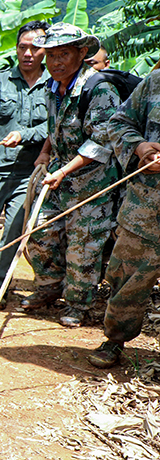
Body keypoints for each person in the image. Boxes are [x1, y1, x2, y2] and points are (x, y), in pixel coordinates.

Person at [21, 24, 123, 328]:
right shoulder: (54, 87)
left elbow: (101, 140)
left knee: (84, 244)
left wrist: (63, 170)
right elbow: (58, 125)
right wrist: (45, 152)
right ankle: (49, 287)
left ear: (81, 53)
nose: (55, 62)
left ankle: (79, 304)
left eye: (63, 54)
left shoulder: (99, 88)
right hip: (60, 176)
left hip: (93, 181)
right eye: (50, 55)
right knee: (40, 232)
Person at [0, 21, 50, 309]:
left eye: (35, 47)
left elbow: (54, 126)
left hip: (28, 171)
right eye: (22, 47)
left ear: (45, 50)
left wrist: (25, 135)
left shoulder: (55, 85)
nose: (28, 53)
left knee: (13, 231)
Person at [87, 70, 160, 367]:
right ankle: (115, 338)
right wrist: (140, 147)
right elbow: (118, 122)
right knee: (125, 276)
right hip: (145, 206)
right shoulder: (155, 82)